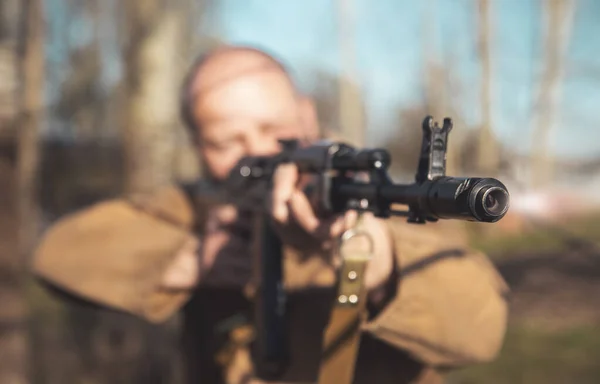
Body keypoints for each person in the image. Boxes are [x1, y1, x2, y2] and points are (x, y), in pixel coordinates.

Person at [32, 45, 509, 384]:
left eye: (273, 129)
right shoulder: (196, 209)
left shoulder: (379, 205)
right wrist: (189, 261)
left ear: (306, 116)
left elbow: (481, 330)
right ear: (198, 145)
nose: (256, 152)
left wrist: (379, 265)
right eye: (226, 141)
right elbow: (58, 254)